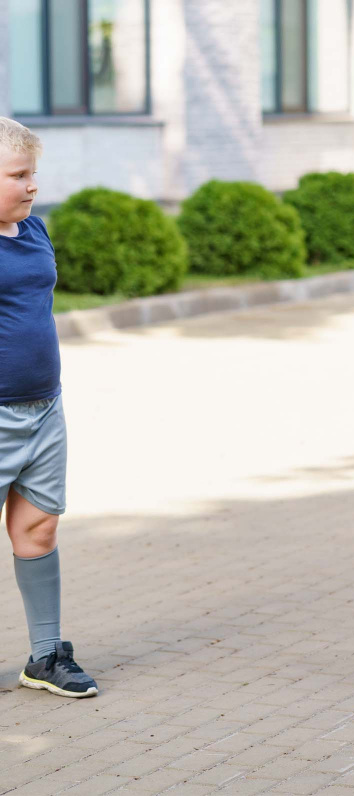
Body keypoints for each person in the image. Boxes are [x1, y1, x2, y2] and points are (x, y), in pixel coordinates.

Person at [0, 117, 97, 696]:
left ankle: (44, 656)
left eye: (34, 173)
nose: (32, 185)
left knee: (38, 527)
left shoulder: (33, 231)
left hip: (43, 409)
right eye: (18, 175)